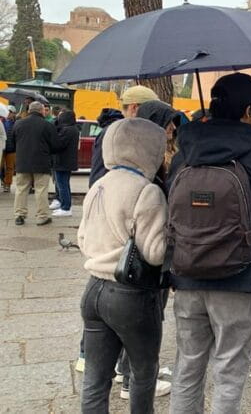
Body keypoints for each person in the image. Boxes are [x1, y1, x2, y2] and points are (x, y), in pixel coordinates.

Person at [167, 72, 251, 412]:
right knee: (230, 373)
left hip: (187, 274)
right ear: (249, 111)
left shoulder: (183, 155)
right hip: (240, 275)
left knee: (187, 367)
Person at [77, 118, 168, 413]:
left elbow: (81, 238)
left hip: (93, 291)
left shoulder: (98, 185)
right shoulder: (147, 190)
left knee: (95, 379)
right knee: (142, 374)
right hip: (131, 296)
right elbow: (154, 253)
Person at [89, 86, 159, 187]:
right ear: (134, 108)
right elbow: (97, 180)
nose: (154, 116)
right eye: (152, 110)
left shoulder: (137, 132)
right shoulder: (112, 134)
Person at [10, 101, 65, 226]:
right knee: (41, 190)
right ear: (41, 111)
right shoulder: (48, 125)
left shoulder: (18, 124)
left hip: (22, 163)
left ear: (29, 110)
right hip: (42, 163)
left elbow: (12, 144)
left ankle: (19, 215)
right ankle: (42, 216)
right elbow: (56, 146)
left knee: (21, 189)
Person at [50, 110, 80, 217]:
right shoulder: (73, 129)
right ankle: (64, 205)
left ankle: (66, 207)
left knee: (62, 185)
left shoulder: (67, 130)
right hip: (66, 162)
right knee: (64, 184)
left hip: (62, 161)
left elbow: (58, 144)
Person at [2, 108, 15, 192]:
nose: (9, 114)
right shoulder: (2, 122)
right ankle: (3, 181)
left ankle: (8, 184)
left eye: (11, 112)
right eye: (8, 112)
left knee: (10, 168)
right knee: (1, 166)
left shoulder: (16, 123)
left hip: (12, 149)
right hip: (2, 148)